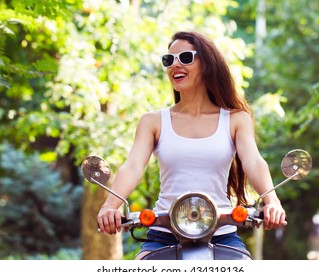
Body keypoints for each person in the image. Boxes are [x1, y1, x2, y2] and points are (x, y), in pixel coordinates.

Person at [97, 31, 287, 259]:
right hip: (163, 232)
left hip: (221, 232)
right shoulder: (153, 121)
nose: (174, 65)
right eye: (169, 60)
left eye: (185, 57)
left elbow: (253, 161)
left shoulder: (236, 119)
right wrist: (109, 206)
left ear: (207, 64)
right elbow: (133, 167)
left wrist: (272, 202)